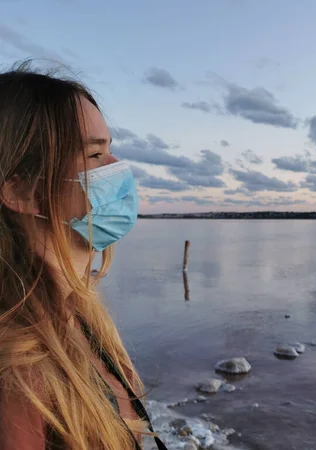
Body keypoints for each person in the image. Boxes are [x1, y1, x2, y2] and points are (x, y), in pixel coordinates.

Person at [0, 61, 167, 449]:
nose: (118, 169)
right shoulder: (17, 374)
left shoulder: (78, 316)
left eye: (110, 150)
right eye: (94, 156)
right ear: (21, 192)